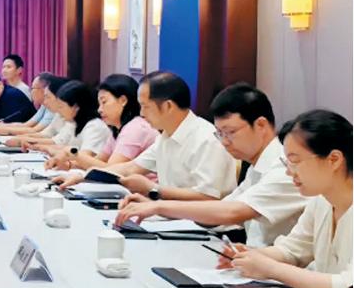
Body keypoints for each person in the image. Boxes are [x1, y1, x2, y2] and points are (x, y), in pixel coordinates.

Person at [115, 84, 305, 245]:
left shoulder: (285, 167)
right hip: (254, 260)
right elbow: (219, 211)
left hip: (279, 268)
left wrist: (158, 206)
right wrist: (154, 205)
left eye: (230, 132)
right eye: (220, 134)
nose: (224, 142)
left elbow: (232, 212)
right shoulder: (257, 166)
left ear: (261, 125)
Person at [217, 109, 351, 288]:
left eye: (294, 161)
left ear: (334, 159)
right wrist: (251, 255)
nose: (289, 172)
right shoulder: (321, 201)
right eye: (286, 162)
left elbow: (347, 287)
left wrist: (271, 269)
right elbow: (293, 250)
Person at [103, 71, 237, 200]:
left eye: (145, 106)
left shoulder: (206, 139)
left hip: (200, 216)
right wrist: (92, 175)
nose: (142, 113)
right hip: (171, 213)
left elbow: (209, 197)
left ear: (168, 106)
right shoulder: (165, 137)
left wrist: (153, 189)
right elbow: (132, 168)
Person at [46, 74, 157, 171]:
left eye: (104, 102)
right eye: (99, 104)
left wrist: (73, 154)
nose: (99, 110)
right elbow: (98, 161)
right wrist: (68, 165)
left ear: (123, 100)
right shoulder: (118, 129)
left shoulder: (135, 128)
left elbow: (111, 170)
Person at [0, 73, 61, 137]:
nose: (31, 91)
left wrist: (6, 130)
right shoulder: (44, 106)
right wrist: (1, 125)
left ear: (44, 90)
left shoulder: (53, 108)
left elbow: (35, 130)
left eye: (32, 88)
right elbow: (26, 125)